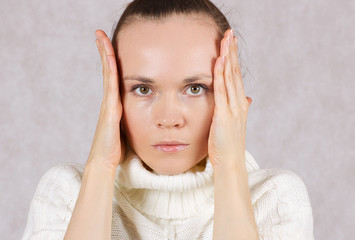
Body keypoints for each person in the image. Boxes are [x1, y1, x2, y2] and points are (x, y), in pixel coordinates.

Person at [21, 0, 314, 239]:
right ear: (114, 96)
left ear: (231, 93)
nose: (169, 119)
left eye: (195, 88)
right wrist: (100, 166)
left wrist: (230, 165)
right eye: (143, 89)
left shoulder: (276, 198)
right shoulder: (65, 194)